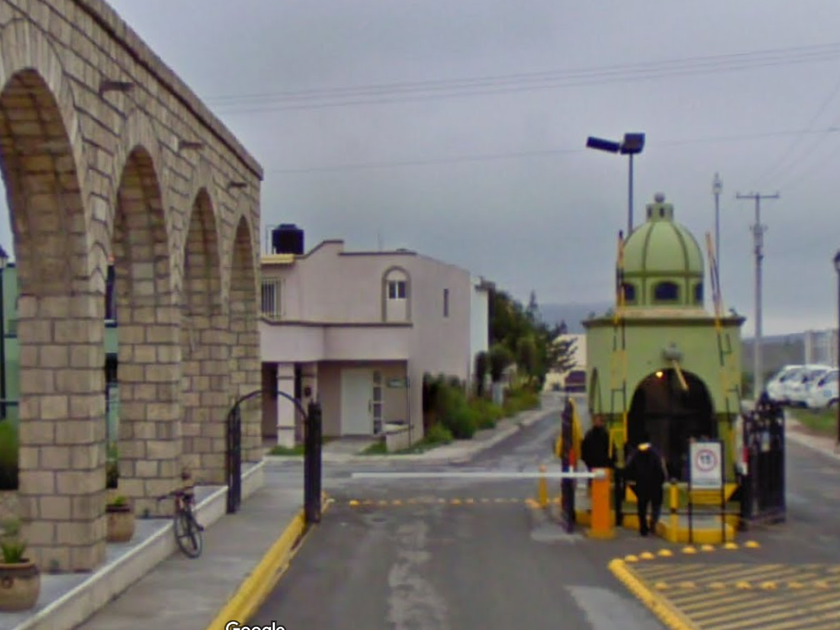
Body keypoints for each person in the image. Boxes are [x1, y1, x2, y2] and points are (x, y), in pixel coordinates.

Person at [624, 431, 668, 537]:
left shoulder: (635, 454)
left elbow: (629, 470)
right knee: (656, 506)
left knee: (642, 507)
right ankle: (653, 525)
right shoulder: (655, 453)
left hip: (641, 484)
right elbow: (660, 470)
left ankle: (643, 528)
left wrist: (632, 484)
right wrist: (661, 480)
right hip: (655, 485)